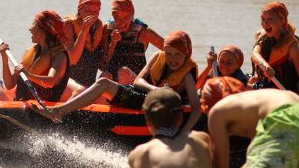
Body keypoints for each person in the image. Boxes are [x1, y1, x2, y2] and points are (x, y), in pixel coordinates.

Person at [32, 31, 201, 133]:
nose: (173, 59)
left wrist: (185, 131)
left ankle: (59, 111)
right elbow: (138, 81)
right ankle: (64, 111)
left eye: (178, 55)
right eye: (169, 53)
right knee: (104, 83)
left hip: (151, 104)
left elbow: (196, 108)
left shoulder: (186, 75)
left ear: (187, 54)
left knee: (103, 84)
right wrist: (155, 89)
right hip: (144, 94)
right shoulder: (158, 57)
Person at [0, 10, 70, 102]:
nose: (30, 28)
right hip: (21, 105)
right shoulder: (30, 51)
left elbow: (51, 82)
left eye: (33, 24)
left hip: (44, 109)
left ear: (42, 29)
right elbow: (9, 84)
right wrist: (5, 59)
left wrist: (29, 75)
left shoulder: (60, 56)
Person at [250, 1, 299, 99]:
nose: (265, 23)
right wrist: (265, 66)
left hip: (286, 90)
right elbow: (254, 54)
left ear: (282, 20)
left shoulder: (292, 47)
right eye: (263, 19)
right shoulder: (261, 37)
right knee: (248, 84)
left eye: (270, 19)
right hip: (266, 86)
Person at [101, 0, 164, 84]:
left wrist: (159, 73)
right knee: (104, 77)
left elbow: (169, 48)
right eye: (118, 18)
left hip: (137, 81)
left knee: (123, 72)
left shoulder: (144, 32)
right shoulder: (106, 29)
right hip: (113, 79)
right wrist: (113, 43)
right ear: (113, 16)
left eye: (126, 17)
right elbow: (102, 66)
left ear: (132, 16)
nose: (122, 22)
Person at [62, 0, 107, 90]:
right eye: (88, 11)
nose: (92, 15)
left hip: (89, 85)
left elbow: (102, 66)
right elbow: (72, 59)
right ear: (79, 9)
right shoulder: (68, 24)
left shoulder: (99, 27)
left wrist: (114, 44)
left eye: (96, 12)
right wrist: (84, 31)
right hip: (69, 84)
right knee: (81, 90)